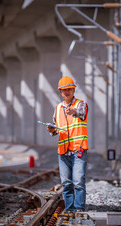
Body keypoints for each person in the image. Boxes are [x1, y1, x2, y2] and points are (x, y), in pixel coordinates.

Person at [46, 76, 89, 214]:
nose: (67, 92)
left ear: (74, 90)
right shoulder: (58, 108)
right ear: (60, 92)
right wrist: (51, 130)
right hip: (63, 151)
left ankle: (79, 209)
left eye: (69, 89)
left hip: (78, 148)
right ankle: (70, 209)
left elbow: (81, 113)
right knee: (66, 183)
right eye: (64, 90)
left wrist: (73, 111)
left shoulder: (80, 104)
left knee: (78, 181)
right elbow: (56, 128)